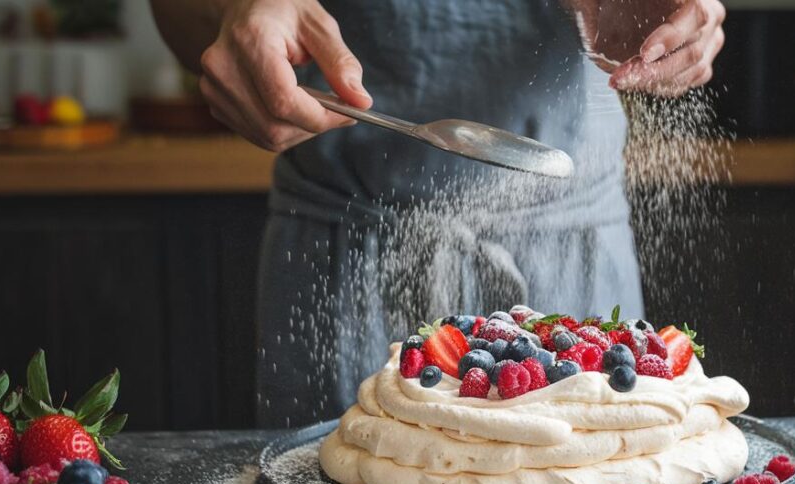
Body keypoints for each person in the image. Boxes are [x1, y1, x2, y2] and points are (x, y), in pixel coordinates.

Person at [150, 0, 725, 427]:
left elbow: (669, 15)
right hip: (346, 251)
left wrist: (675, 24)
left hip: (570, 249)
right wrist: (235, 13)